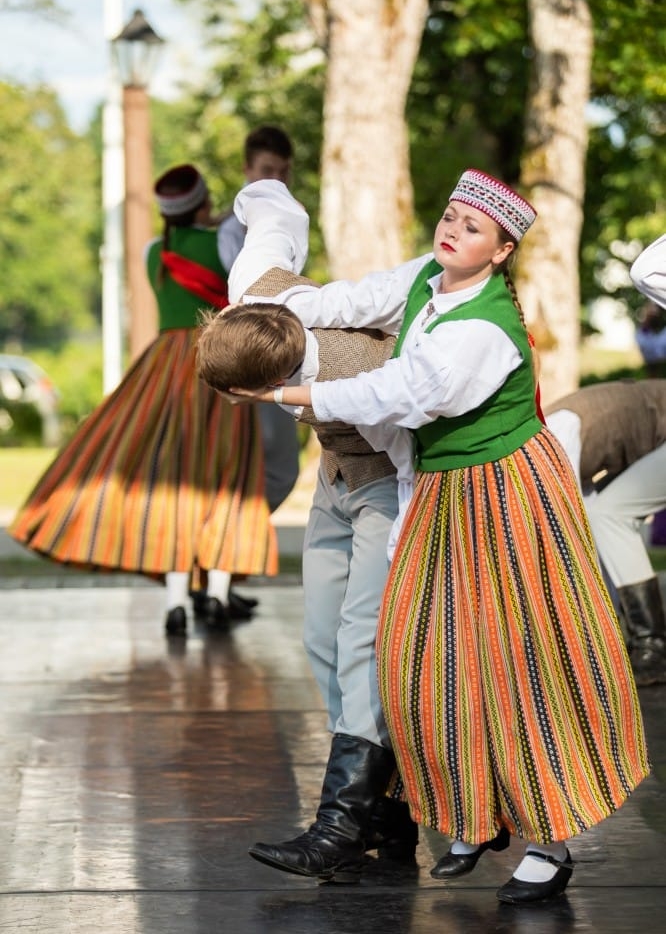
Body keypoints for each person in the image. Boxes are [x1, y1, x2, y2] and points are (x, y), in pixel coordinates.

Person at [226, 169, 650, 905]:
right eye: (450, 215)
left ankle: (549, 845)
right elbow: (351, 299)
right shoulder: (430, 276)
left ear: (501, 251)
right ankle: (469, 815)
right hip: (443, 496)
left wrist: (288, 390)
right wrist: (270, 306)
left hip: (507, 496)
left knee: (523, 665)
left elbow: (401, 392)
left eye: (472, 227)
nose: (452, 229)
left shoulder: (482, 331)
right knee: (421, 663)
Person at [199, 180, 419, 881]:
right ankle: (387, 806)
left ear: (268, 390)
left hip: (389, 476)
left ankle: (342, 823)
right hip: (335, 478)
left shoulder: (372, 373)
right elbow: (275, 209)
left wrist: (404, 538)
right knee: (321, 637)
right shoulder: (257, 298)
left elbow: (420, 450)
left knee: (363, 639)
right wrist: (248, 194)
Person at [9, 164, 277, 637]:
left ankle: (176, 603)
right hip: (219, 361)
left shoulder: (154, 250)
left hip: (164, 368)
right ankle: (215, 593)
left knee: (175, 481)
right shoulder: (223, 241)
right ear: (201, 203)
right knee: (228, 477)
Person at [545, 379, 666, 686]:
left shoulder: (552, 444)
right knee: (605, 518)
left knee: (609, 514)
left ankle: (652, 646)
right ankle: (633, 640)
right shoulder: (548, 441)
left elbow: (569, 537)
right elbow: (591, 538)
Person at [216, 126, 300, 515]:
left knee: (282, 467)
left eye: (283, 172)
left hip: (275, 354)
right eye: (268, 170)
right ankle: (224, 551)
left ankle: (230, 546)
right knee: (239, 462)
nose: (277, 180)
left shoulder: (293, 222)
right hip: (242, 353)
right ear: (247, 169)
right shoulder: (232, 230)